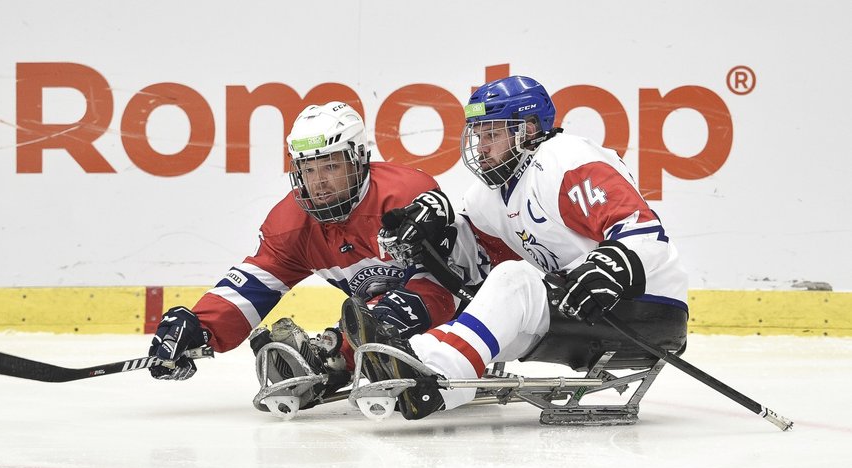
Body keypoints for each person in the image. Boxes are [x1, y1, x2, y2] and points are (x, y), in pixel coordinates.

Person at [349, 76, 689, 419]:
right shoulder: (488, 196)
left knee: (514, 280)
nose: (480, 147)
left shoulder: (564, 159)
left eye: (492, 134)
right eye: (478, 135)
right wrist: (431, 235)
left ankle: (433, 375)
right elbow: (469, 266)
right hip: (581, 311)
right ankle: (413, 359)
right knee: (489, 316)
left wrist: (607, 267)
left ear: (527, 129)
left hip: (646, 306)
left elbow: (643, 231)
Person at [146, 101, 486, 411]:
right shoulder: (291, 224)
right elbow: (252, 284)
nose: (318, 182)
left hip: (467, 302)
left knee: (381, 312)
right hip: (376, 318)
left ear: (358, 160)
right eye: (308, 170)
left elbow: (451, 271)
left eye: (330, 167)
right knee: (363, 321)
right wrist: (200, 325)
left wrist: (379, 318)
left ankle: (348, 349)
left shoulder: (403, 194)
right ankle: (332, 357)